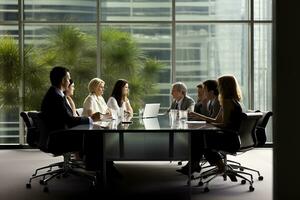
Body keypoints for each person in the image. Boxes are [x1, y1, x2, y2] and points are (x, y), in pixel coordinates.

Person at [178, 75, 243, 175]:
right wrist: (199, 116)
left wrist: (210, 124)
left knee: (200, 139)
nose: (218, 88)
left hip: (230, 139)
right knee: (199, 137)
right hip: (230, 137)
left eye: (219, 85)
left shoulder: (227, 102)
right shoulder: (228, 101)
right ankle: (197, 164)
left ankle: (198, 165)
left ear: (224, 86)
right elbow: (216, 120)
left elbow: (224, 124)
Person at [41, 66, 101, 133]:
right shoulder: (55, 98)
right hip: (60, 137)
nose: (69, 82)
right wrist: (91, 119)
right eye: (68, 79)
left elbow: (69, 118)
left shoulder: (56, 94)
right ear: (63, 80)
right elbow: (70, 121)